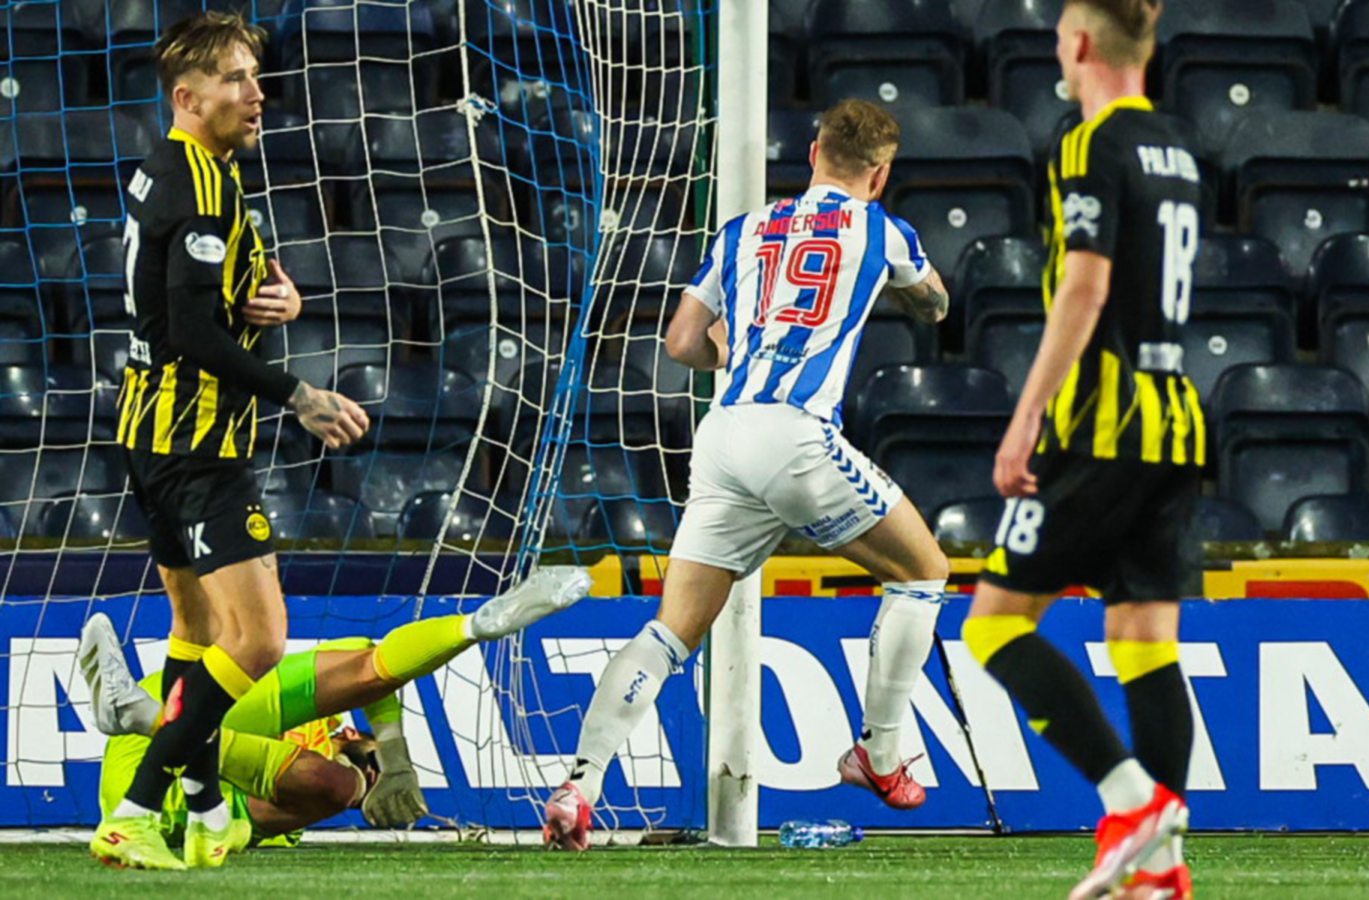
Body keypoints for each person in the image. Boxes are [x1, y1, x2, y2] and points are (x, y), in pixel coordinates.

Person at [543, 99, 955, 851]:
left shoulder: (743, 231)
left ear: (812, 152)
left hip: (725, 434)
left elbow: (680, 342)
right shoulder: (883, 229)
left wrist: (738, 355)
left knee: (672, 631)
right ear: (881, 173)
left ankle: (581, 782)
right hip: (796, 435)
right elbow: (934, 304)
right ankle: (880, 752)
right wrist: (900, 286)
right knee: (923, 572)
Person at [91, 11, 371, 871]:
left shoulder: (168, 172)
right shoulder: (203, 183)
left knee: (195, 635)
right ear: (188, 95)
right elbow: (190, 331)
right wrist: (303, 395)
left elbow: (194, 297)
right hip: (197, 443)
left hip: (147, 431)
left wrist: (271, 299)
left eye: (256, 77)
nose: (258, 96)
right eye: (238, 80)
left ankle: (208, 806)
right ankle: (136, 811)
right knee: (256, 641)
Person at [959, 1, 1202, 898]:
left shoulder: (1087, 141)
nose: (1058, 46)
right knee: (1144, 640)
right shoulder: (1179, 149)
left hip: (1103, 426)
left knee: (992, 625)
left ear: (1084, 43)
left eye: (1062, 31)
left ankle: (1129, 802)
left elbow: (1087, 286)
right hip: (1177, 422)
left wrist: (1027, 415)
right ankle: (1162, 867)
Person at [83, 567, 594, 849]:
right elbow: (368, 656)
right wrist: (394, 760)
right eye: (364, 755)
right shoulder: (333, 756)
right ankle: (473, 625)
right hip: (182, 711)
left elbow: (269, 813)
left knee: (325, 785)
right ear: (353, 738)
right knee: (358, 690)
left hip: (169, 787)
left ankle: (142, 716)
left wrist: (371, 778)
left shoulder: (307, 805)